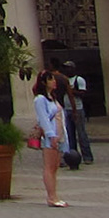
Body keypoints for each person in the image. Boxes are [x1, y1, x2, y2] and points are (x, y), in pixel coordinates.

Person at [32, 70, 68, 208]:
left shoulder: (52, 98)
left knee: (55, 166)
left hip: (59, 134)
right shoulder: (40, 100)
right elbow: (44, 119)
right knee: (49, 166)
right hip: (50, 136)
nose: (54, 82)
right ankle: (51, 197)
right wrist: (50, 135)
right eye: (51, 79)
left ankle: (54, 194)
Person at [62, 60, 93, 164]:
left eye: (69, 68)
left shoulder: (78, 80)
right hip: (67, 108)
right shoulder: (64, 80)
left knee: (81, 134)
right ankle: (72, 156)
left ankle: (87, 156)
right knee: (69, 135)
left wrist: (72, 91)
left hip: (78, 109)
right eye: (65, 68)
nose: (67, 70)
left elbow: (83, 94)